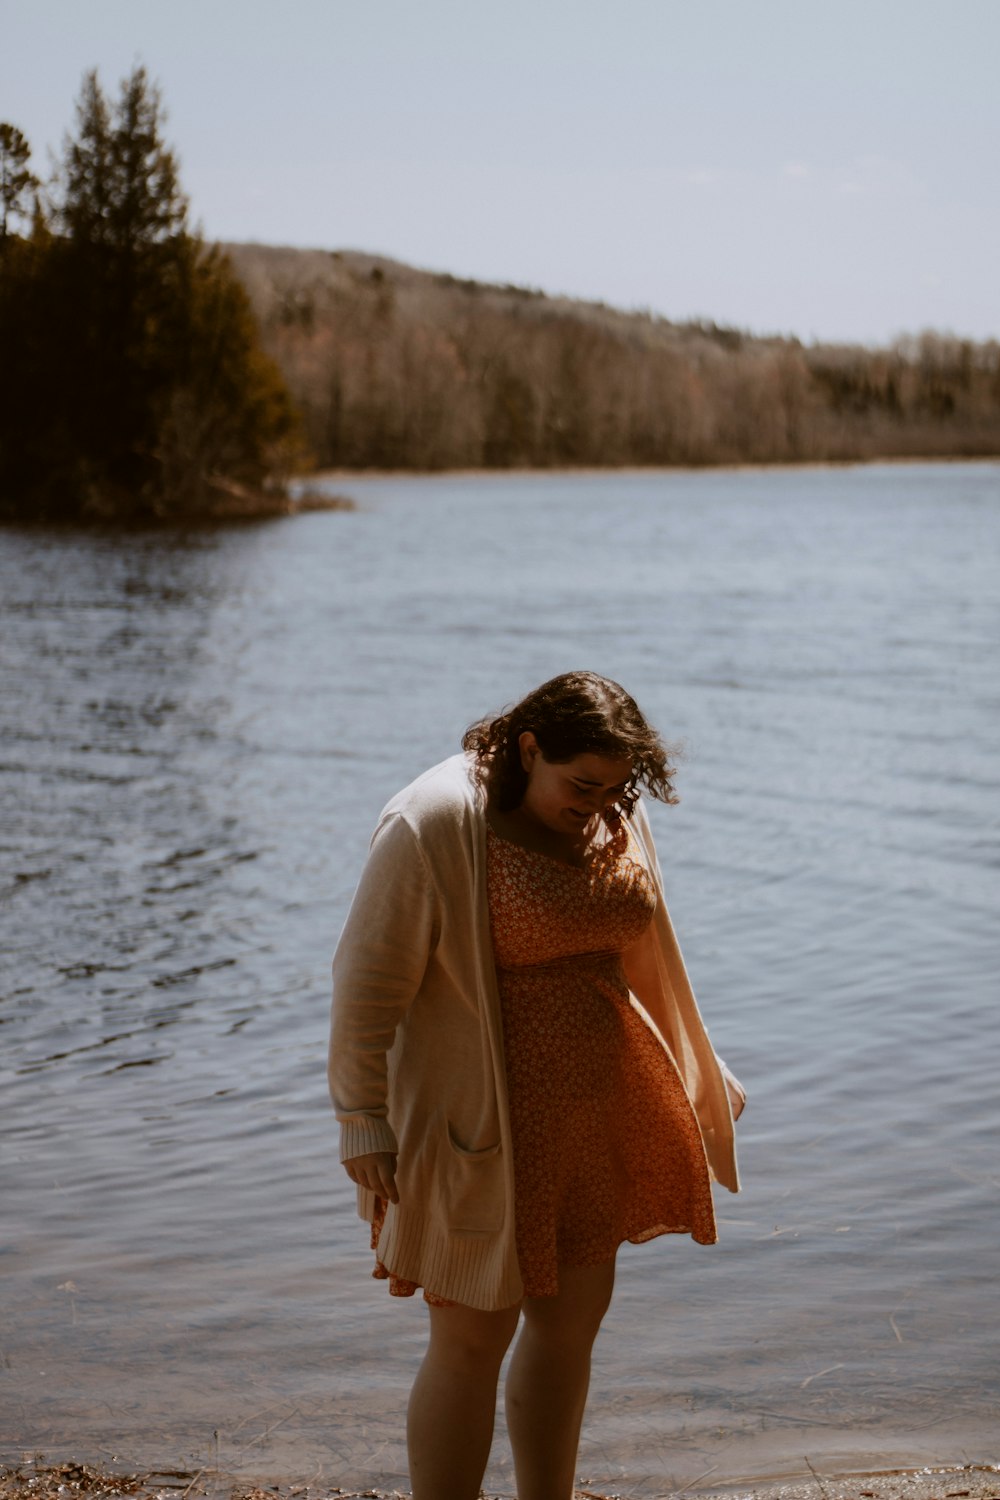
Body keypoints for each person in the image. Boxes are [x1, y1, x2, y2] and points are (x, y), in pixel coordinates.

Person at [328, 671, 746, 1500]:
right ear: (528, 749)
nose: (599, 804)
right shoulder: (436, 820)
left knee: (569, 1330)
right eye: (581, 785)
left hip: (596, 1111)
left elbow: (637, 942)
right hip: (477, 1122)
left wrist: (697, 1056)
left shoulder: (611, 809)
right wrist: (360, 1117)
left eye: (616, 786)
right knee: (471, 1340)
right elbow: (365, 981)